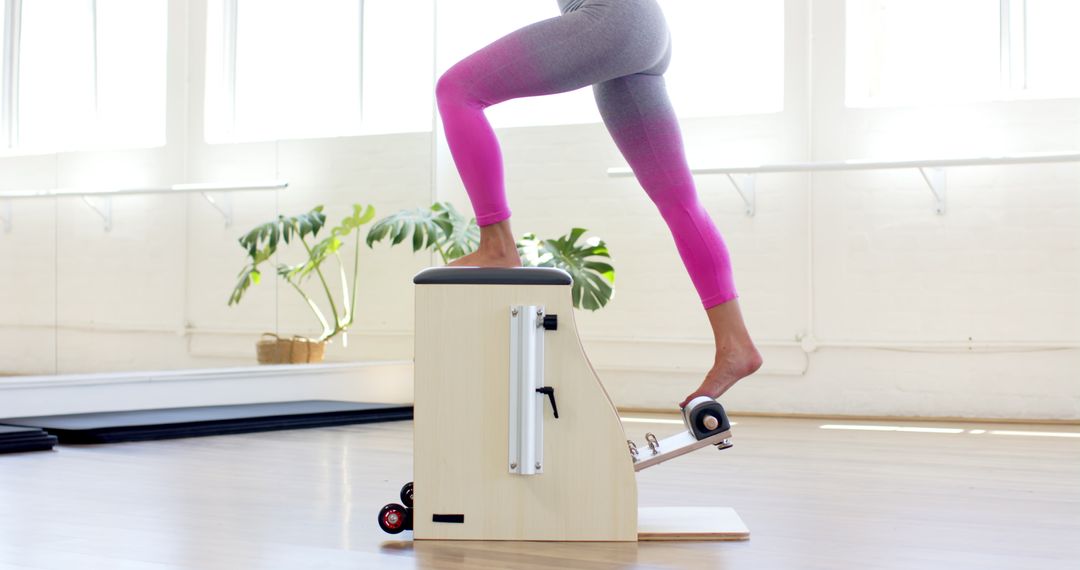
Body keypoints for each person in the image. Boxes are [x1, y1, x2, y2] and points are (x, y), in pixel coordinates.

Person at [435, 0, 761, 407]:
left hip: (612, 19)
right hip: (641, 29)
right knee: (679, 202)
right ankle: (736, 344)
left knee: (457, 89)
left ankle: (497, 244)